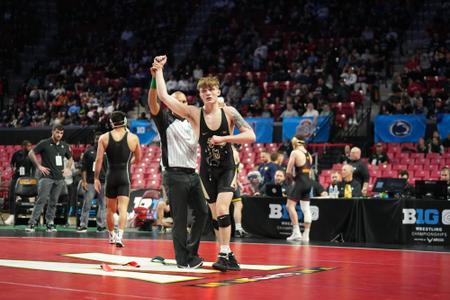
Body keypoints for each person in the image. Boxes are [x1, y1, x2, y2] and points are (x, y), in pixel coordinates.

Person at [153, 55, 256, 272]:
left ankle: (225, 252)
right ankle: (224, 254)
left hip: (227, 167)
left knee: (220, 208)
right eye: (203, 90)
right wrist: (160, 70)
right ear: (199, 95)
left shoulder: (229, 112)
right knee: (212, 214)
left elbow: (251, 136)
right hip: (206, 170)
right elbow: (163, 96)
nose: (208, 93)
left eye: (212, 89)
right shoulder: (193, 114)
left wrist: (225, 139)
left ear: (219, 92)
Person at [148, 67, 208, 268]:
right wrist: (155, 80)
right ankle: (183, 261)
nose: (182, 104)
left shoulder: (193, 120)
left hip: (193, 175)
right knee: (180, 220)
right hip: (174, 175)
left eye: (184, 101)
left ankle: (190, 252)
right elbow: (152, 103)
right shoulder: (166, 120)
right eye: (178, 101)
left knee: (203, 212)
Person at [94, 111, 142, 247]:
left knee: (110, 209)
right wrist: (127, 164)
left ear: (111, 123)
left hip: (111, 176)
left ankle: (111, 236)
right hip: (124, 176)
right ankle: (120, 236)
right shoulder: (133, 138)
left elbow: (98, 160)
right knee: (123, 209)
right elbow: (139, 158)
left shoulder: (103, 138)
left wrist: (96, 178)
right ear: (125, 121)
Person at [26, 125, 73, 232]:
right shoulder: (44, 143)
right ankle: (32, 223)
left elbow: (70, 158)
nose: (59, 135)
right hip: (46, 178)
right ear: (52, 132)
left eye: (61, 133)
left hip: (59, 179)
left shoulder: (64, 145)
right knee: (41, 200)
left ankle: (50, 223)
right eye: (57, 132)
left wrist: (68, 168)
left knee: (53, 201)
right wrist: (39, 166)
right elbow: (31, 153)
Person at [285, 134, 313, 242]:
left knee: (289, 206)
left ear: (295, 142)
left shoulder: (295, 152)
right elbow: (309, 172)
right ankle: (306, 235)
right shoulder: (308, 154)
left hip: (299, 182)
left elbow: (288, 171)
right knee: (306, 209)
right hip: (308, 183)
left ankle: (296, 232)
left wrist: (291, 182)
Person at [77, 132, 107, 232]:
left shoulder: (107, 152)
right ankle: (83, 224)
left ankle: (101, 225)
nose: (98, 140)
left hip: (103, 182)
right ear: (94, 140)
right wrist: (84, 181)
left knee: (102, 204)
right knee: (87, 203)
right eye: (96, 138)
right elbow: (83, 168)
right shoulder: (88, 152)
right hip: (90, 182)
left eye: (100, 138)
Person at [6, 140, 35, 225]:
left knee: (25, 197)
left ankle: (24, 215)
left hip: (26, 178)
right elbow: (12, 163)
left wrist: (32, 178)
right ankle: (11, 215)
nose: (30, 147)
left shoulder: (31, 155)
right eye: (28, 146)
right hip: (16, 177)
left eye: (30, 146)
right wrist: (13, 169)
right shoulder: (16, 154)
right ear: (23, 146)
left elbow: (34, 168)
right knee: (12, 195)